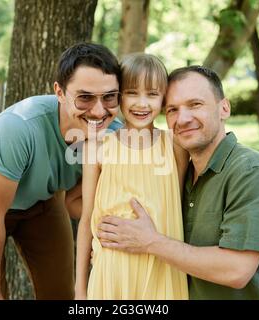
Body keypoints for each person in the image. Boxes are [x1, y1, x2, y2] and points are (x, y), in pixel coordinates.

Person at [97, 65, 259, 300]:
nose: (182, 119)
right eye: (172, 109)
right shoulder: (177, 172)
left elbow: (236, 269)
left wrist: (150, 242)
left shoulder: (252, 172)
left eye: (195, 104)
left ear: (224, 108)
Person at [0, 42, 123, 300]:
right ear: (59, 92)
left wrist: (110, 230)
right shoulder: (19, 127)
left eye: (109, 97)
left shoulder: (114, 134)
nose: (98, 110)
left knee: (60, 294)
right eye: (85, 97)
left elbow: (75, 203)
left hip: (42, 201)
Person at [75, 53, 189, 300]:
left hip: (163, 269)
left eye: (152, 94)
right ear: (118, 96)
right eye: (132, 93)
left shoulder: (175, 146)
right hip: (112, 272)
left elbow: (177, 205)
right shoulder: (97, 147)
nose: (142, 103)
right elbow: (86, 220)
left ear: (163, 99)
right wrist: (79, 289)